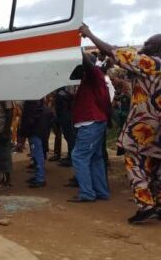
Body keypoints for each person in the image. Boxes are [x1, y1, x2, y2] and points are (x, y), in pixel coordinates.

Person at [82, 25, 161, 223]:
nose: (144, 45)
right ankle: (157, 204)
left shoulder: (150, 63)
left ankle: (145, 204)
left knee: (133, 160)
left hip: (145, 125)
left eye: (148, 43)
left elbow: (114, 51)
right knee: (154, 165)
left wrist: (90, 34)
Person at [68, 44, 112, 203]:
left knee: (79, 156)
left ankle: (87, 193)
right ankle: (101, 191)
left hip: (90, 123)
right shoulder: (91, 78)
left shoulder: (94, 74)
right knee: (95, 158)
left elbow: (88, 64)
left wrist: (76, 48)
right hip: (94, 122)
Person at [19, 99, 53, 188]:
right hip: (40, 130)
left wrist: (23, 133)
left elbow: (28, 119)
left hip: (35, 131)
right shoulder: (39, 102)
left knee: (37, 155)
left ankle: (40, 178)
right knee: (37, 154)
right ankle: (39, 176)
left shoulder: (31, 104)